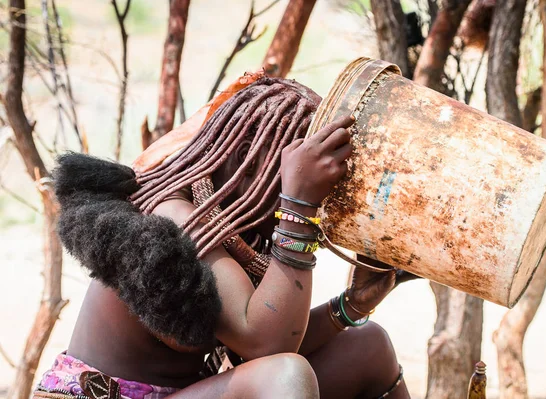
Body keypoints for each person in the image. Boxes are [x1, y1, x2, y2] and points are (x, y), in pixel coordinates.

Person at [35, 77, 413, 399]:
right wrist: (299, 202)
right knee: (283, 378)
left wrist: (351, 306)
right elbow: (267, 346)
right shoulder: (177, 217)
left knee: (369, 345)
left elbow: (255, 349)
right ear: (250, 153)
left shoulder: (233, 229)